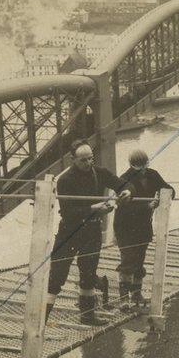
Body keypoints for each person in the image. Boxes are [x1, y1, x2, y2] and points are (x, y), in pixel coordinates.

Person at [46, 139, 132, 326]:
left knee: (88, 272)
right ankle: (41, 319)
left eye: (90, 159)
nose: (88, 163)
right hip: (70, 231)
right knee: (57, 275)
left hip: (92, 231)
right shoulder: (64, 180)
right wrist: (94, 208)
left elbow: (122, 184)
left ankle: (87, 315)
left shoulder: (100, 173)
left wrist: (126, 192)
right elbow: (68, 213)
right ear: (73, 160)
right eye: (83, 160)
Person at [113, 149, 175, 310]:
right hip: (125, 226)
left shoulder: (152, 175)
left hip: (143, 225)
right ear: (131, 165)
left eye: (144, 166)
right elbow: (124, 207)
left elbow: (169, 189)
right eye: (137, 167)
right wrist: (147, 206)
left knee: (139, 260)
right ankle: (123, 298)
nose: (142, 170)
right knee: (127, 260)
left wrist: (161, 198)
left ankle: (136, 293)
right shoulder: (123, 179)